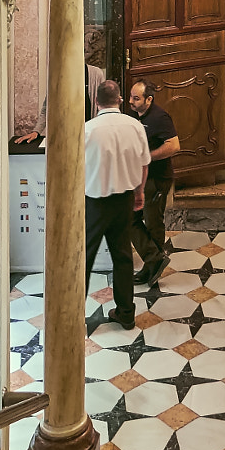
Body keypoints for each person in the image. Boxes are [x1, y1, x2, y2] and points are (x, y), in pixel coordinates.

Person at [84, 78, 150, 331]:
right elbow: (144, 163)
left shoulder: (88, 129)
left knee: (85, 259)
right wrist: (139, 192)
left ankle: (72, 316)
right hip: (124, 199)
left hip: (94, 202)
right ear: (120, 100)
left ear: (96, 102)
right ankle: (126, 313)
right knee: (122, 257)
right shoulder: (134, 126)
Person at [128, 79, 180, 289]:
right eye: (131, 97)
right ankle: (154, 260)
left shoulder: (160, 117)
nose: (131, 101)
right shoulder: (134, 115)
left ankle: (152, 267)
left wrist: (147, 157)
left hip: (157, 179)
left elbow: (174, 146)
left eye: (136, 98)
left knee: (153, 222)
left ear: (149, 100)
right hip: (140, 179)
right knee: (130, 218)